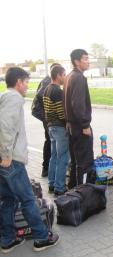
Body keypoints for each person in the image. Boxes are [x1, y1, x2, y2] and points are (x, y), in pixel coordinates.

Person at [0, 67, 59, 253]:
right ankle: (42, 238)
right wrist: (7, 155)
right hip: (11, 161)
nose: (27, 86)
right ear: (18, 82)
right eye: (26, 82)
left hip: (5, 160)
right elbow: (5, 126)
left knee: (8, 200)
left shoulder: (4, 96)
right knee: (27, 200)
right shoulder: (14, 98)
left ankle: (8, 239)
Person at [63, 49, 94, 187]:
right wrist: (85, 125)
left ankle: (73, 190)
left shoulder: (69, 76)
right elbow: (78, 105)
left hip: (71, 126)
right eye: (85, 59)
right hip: (79, 128)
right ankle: (82, 193)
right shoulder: (78, 77)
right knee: (84, 162)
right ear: (76, 61)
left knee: (75, 161)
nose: (88, 61)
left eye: (88, 58)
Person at [31, 63, 61, 178]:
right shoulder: (48, 80)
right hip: (46, 117)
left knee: (50, 141)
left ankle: (49, 169)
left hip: (46, 116)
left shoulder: (47, 80)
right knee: (50, 141)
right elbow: (40, 95)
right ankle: (46, 169)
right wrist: (48, 110)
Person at [43, 65, 69, 196]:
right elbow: (61, 113)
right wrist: (68, 124)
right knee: (63, 157)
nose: (65, 77)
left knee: (53, 156)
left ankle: (51, 184)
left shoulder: (47, 89)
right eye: (64, 75)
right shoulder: (58, 91)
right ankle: (60, 187)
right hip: (59, 128)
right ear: (58, 75)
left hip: (50, 127)